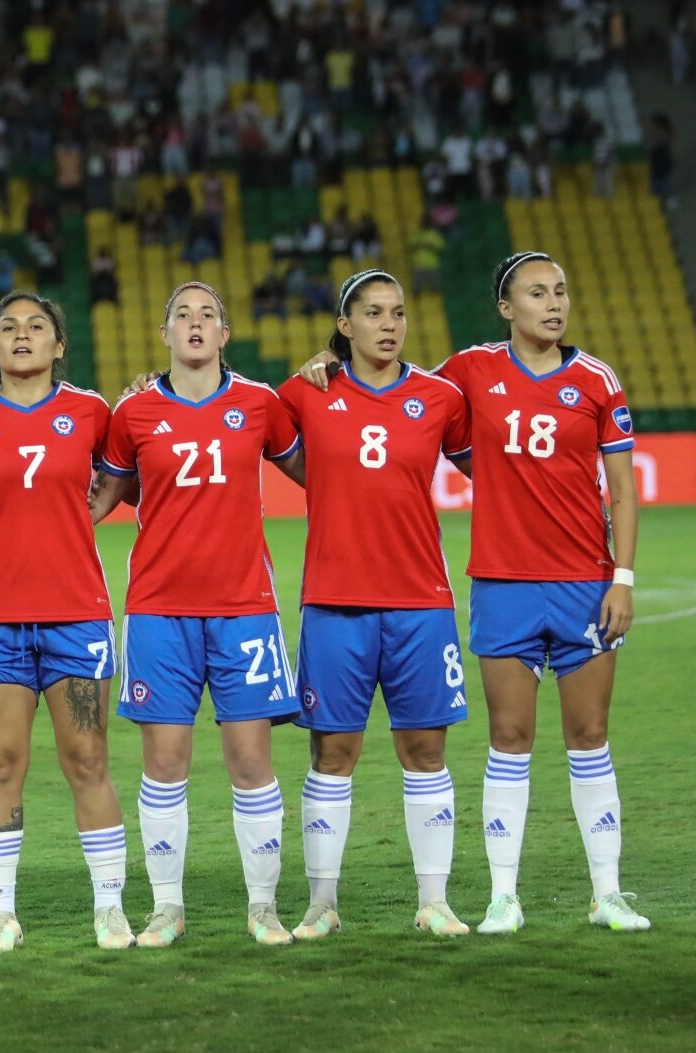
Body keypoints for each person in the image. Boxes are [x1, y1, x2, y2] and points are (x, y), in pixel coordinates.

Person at [295, 251, 648, 934]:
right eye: (537, 292)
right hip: (502, 582)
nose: (554, 303)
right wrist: (329, 360)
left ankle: (608, 891)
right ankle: (501, 896)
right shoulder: (466, 374)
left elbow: (624, 491)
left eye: (561, 291)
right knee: (508, 738)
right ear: (505, 307)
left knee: (591, 735)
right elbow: (392, 382)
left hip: (585, 581)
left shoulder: (596, 379)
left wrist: (623, 578)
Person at [90, 282, 305, 948]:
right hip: (158, 610)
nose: (194, 322)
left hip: (244, 609)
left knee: (250, 761)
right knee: (165, 762)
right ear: (164, 335)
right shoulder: (133, 412)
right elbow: (97, 498)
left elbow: (319, 473)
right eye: (181, 313)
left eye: (207, 313)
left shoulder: (261, 403)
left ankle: (263, 905)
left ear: (225, 332)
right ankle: (166, 906)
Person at [274, 272, 475, 941]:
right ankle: (321, 904)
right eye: (373, 313)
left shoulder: (440, 396)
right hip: (334, 601)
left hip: (421, 600)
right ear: (345, 322)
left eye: (398, 313)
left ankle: (434, 901)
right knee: (332, 752)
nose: (388, 325)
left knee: (425, 749)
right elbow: (260, 438)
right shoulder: (304, 391)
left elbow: (492, 464)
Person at [0, 292, 134, 952]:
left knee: (88, 758)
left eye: (37, 326)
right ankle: (0, 912)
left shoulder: (92, 411)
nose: (23, 336)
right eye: (9, 328)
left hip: (76, 616)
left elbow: (120, 478)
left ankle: (109, 906)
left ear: (59, 345)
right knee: (1, 766)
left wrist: (74, 524)